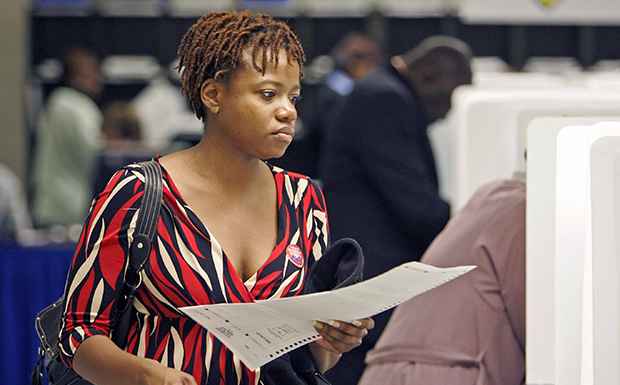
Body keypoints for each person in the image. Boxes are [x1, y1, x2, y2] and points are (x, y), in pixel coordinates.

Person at [58, 10, 374, 385]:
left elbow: (311, 360)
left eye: (293, 96)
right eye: (268, 94)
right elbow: (77, 333)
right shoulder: (138, 193)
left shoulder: (303, 199)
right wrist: (146, 374)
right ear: (213, 95)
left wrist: (333, 340)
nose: (288, 111)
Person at [317, 36, 474, 384]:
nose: (446, 112)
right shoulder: (384, 98)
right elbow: (413, 201)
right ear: (430, 75)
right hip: (371, 275)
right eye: (449, 98)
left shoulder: (382, 91)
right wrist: (469, 234)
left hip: (370, 272)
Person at [358, 175, 526, 385]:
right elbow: (542, 339)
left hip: (386, 371)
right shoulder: (524, 212)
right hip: (446, 373)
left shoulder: (493, 197)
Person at [272, 32, 382, 179]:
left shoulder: (331, 90)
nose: (375, 71)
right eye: (372, 62)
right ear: (357, 63)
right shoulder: (336, 97)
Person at [30, 45, 105, 228]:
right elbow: (95, 151)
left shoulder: (57, 101)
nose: (98, 78)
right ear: (77, 76)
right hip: (65, 206)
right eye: (93, 72)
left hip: (54, 200)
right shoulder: (76, 107)